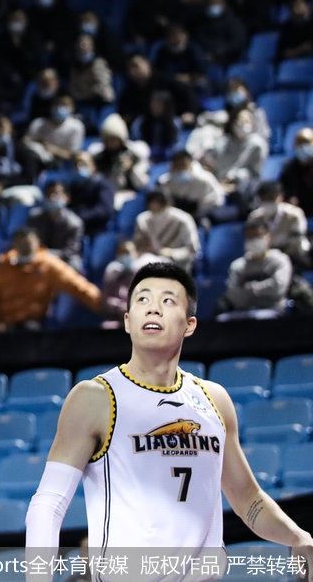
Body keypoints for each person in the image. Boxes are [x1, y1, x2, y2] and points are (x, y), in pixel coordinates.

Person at [25, 263, 313, 577]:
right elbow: (48, 504)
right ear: (127, 321)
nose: (153, 309)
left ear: (189, 324)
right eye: (143, 299)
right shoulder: (96, 397)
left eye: (168, 300)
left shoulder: (214, 399)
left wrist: (296, 536)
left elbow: (249, 500)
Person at [0, 229, 100, 333]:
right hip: (4, 327)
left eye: (29, 242)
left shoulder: (47, 264)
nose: (25, 245)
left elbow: (76, 284)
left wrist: (101, 304)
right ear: (14, 244)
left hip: (33, 326)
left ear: (37, 242)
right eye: (21, 242)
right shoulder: (3, 267)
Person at [219, 222, 293, 320]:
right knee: (222, 319)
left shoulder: (280, 260)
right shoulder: (237, 265)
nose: (253, 241)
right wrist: (265, 287)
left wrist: (249, 288)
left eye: (257, 236)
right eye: (250, 238)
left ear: (268, 238)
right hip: (243, 311)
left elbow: (277, 289)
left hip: (274, 310)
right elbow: (233, 295)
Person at [98, 240, 168, 327]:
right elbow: (107, 300)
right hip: (118, 319)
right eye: (123, 253)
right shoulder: (114, 274)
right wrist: (120, 307)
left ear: (135, 253)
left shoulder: (142, 275)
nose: (126, 256)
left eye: (128, 252)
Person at [247, 181, 310, 268]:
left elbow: (297, 239)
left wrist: (280, 255)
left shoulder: (294, 214)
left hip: (293, 255)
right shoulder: (254, 217)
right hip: (267, 257)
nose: (268, 201)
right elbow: (253, 241)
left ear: (279, 197)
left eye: (271, 198)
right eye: (264, 199)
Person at [133, 190, 200, 272]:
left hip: (177, 266)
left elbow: (192, 250)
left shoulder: (182, 219)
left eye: (158, 202)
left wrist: (172, 253)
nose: (154, 205)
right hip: (148, 260)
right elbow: (137, 246)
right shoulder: (143, 219)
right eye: (152, 202)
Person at [26, 182, 86, 272]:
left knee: (75, 263)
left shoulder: (74, 223)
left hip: (62, 259)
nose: (52, 197)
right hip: (38, 256)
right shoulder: (34, 217)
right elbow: (29, 241)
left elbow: (70, 251)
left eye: (57, 193)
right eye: (49, 193)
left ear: (67, 197)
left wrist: (47, 254)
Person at [158, 150, 225, 220]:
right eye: (177, 165)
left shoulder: (205, 179)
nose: (180, 168)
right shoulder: (166, 181)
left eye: (183, 165)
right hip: (178, 215)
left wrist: (196, 211)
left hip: (204, 215)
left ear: (190, 163)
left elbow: (217, 201)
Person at [23, 96, 85, 168]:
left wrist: (54, 150)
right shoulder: (39, 123)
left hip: (62, 163)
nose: (60, 108)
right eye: (58, 104)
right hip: (36, 157)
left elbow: (73, 155)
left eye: (65, 105)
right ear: (52, 107)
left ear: (72, 108)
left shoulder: (76, 126)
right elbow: (26, 141)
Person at [66, 153, 115, 236]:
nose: (79, 167)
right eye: (76, 164)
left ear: (93, 166)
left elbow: (105, 210)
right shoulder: (75, 186)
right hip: (78, 229)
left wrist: (79, 215)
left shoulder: (103, 185)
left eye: (83, 163)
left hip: (99, 231)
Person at [279, 127, 313, 215]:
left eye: (307, 144)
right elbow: (283, 190)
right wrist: (289, 198)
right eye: (300, 145)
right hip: (297, 213)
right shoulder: (288, 167)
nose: (304, 148)